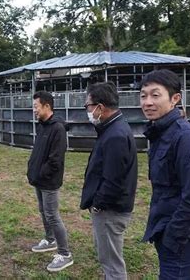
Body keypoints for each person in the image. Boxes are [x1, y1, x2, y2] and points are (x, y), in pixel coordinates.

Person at [140, 69, 190, 279]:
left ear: (175, 99)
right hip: (167, 231)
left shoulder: (185, 137)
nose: (147, 102)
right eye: (143, 95)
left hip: (184, 240)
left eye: (155, 95)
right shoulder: (160, 133)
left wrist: (172, 237)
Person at [80, 81, 138, 280]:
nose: (87, 111)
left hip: (110, 210)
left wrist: (98, 205)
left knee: (112, 264)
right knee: (107, 258)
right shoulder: (113, 129)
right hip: (109, 208)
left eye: (88, 106)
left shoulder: (115, 135)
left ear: (100, 107)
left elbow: (113, 180)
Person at [27, 90, 73, 272]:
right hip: (38, 179)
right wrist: (32, 169)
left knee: (52, 215)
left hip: (49, 182)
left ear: (47, 106)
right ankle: (50, 240)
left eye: (36, 107)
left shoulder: (58, 129)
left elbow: (55, 160)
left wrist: (40, 174)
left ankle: (65, 253)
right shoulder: (43, 125)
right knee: (43, 211)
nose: (34, 110)